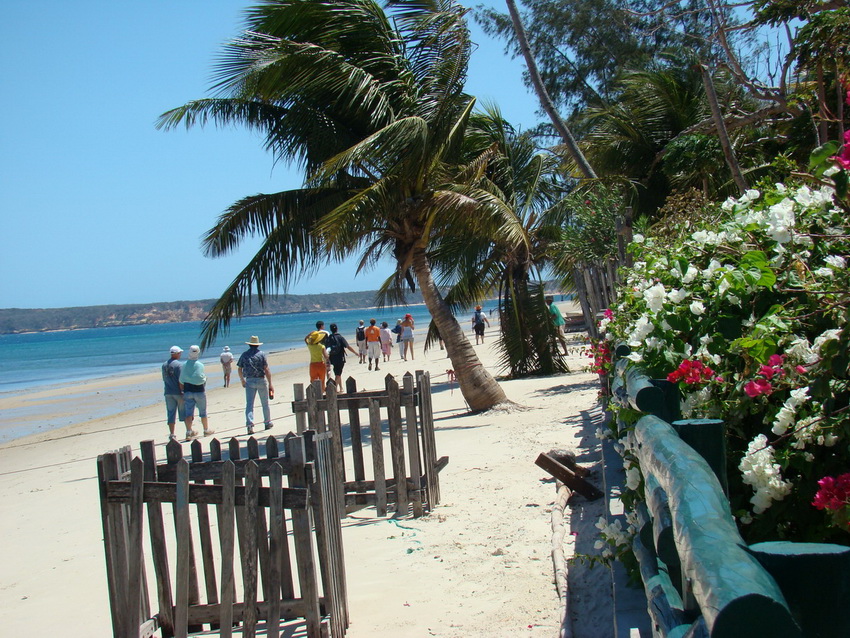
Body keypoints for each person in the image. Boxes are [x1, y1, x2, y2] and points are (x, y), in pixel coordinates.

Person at [237, 335, 275, 435]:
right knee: (265, 403)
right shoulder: (261, 354)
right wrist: (270, 383)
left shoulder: (245, 354)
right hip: (260, 379)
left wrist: (242, 380)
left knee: (249, 404)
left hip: (249, 380)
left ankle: (250, 424)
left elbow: (239, 368)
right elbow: (266, 369)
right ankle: (267, 422)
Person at [179, 345, 215, 438]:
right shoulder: (200, 365)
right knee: (203, 412)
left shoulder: (185, 365)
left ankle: (188, 432)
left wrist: (182, 390)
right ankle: (206, 430)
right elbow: (201, 378)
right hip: (199, 391)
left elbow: (181, 380)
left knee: (188, 413)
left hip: (188, 391)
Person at [162, 345, 186, 442]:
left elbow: (164, 378)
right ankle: (188, 431)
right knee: (183, 412)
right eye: (179, 353)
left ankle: (172, 434)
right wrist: (183, 391)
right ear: (176, 354)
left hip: (168, 391)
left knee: (171, 413)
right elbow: (181, 380)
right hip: (177, 392)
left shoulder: (164, 365)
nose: (180, 354)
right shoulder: (179, 365)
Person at [305, 320, 330, 392]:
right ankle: (322, 392)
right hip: (321, 364)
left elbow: (305, 339)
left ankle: (315, 393)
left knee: (313, 380)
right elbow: (326, 356)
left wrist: (309, 334)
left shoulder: (310, 346)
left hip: (313, 364)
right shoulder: (321, 346)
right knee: (322, 380)